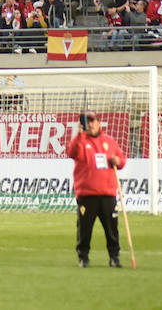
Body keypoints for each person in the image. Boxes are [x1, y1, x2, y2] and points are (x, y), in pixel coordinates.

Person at [67, 111, 127, 267]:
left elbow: (122, 160)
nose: (91, 124)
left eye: (93, 121)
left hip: (107, 193)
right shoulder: (80, 141)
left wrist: (118, 160)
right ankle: (83, 257)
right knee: (84, 229)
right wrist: (79, 135)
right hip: (87, 194)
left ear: (99, 123)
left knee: (111, 229)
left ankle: (114, 258)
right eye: (88, 122)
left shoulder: (110, 141)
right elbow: (72, 152)